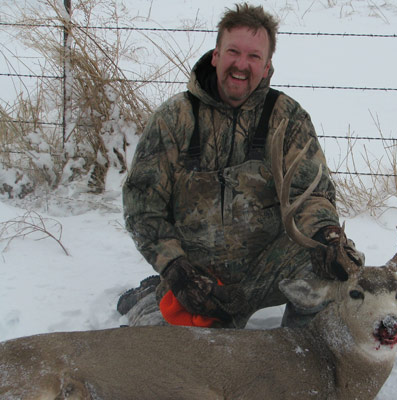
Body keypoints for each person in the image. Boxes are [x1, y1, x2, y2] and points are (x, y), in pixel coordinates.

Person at [121, 3, 363, 329]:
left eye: (253, 56)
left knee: (336, 277)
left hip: (269, 268)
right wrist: (174, 266)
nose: (241, 64)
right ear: (216, 56)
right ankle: (151, 297)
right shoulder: (173, 119)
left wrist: (328, 236)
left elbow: (311, 194)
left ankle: (303, 356)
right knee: (168, 366)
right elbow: (143, 209)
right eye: (233, 52)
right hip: (200, 279)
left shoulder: (288, 117)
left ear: (266, 67)